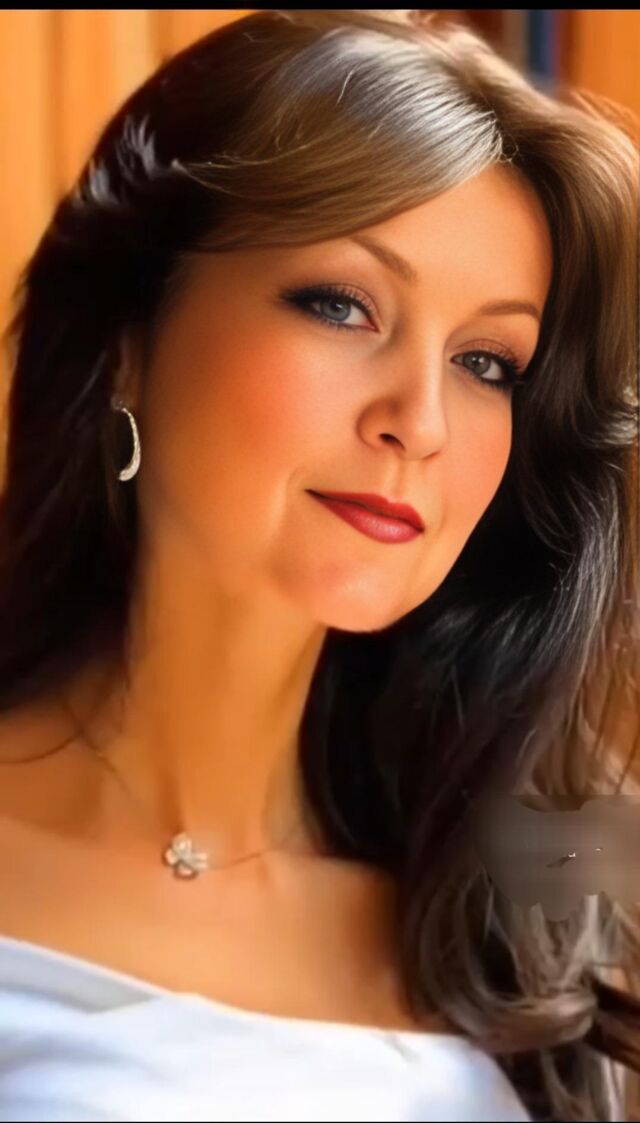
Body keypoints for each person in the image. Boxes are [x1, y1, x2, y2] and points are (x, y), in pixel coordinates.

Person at [0, 8, 637, 1121]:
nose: (419, 421)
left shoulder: (537, 907)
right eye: (341, 305)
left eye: (487, 361)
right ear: (129, 344)